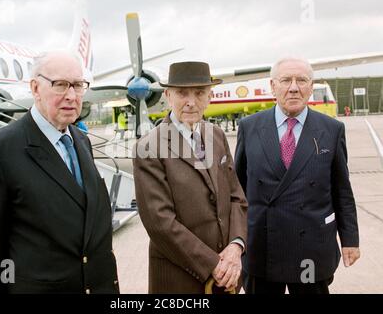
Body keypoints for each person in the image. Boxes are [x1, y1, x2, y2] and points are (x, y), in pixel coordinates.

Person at [0, 51, 119, 294]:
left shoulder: (81, 141)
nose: (71, 96)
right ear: (35, 88)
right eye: (60, 85)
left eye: (78, 85)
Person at [235, 57, 360, 294]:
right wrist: (232, 243)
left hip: (311, 248)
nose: (294, 87)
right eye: (285, 80)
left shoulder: (331, 130)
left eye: (301, 80)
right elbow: (237, 191)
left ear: (311, 87)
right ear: (272, 86)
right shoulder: (249, 127)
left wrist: (350, 239)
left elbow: (342, 191)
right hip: (262, 247)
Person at [132, 61, 248, 293]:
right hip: (179, 279)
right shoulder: (148, 147)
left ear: (209, 97)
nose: (191, 102)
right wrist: (215, 265)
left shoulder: (216, 135)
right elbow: (160, 223)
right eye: (182, 93)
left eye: (199, 93)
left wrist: (236, 246)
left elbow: (237, 197)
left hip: (226, 276)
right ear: (167, 95)